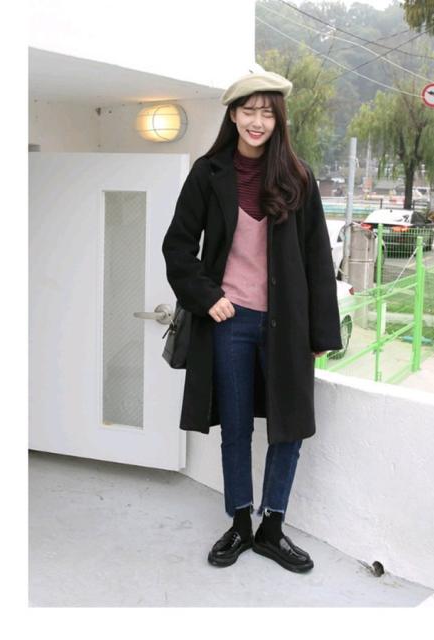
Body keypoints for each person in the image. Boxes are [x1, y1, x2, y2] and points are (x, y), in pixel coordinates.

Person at [162, 70, 342, 574]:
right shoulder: (208, 173)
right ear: (233, 115)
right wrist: (207, 297)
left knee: (290, 428)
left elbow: (318, 260)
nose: (257, 121)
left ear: (278, 119)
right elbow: (178, 247)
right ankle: (240, 524)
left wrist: (321, 333)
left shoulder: (298, 177)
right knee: (236, 428)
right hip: (231, 322)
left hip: (288, 325)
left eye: (267, 112)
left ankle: (272, 528)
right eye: (248, 111)